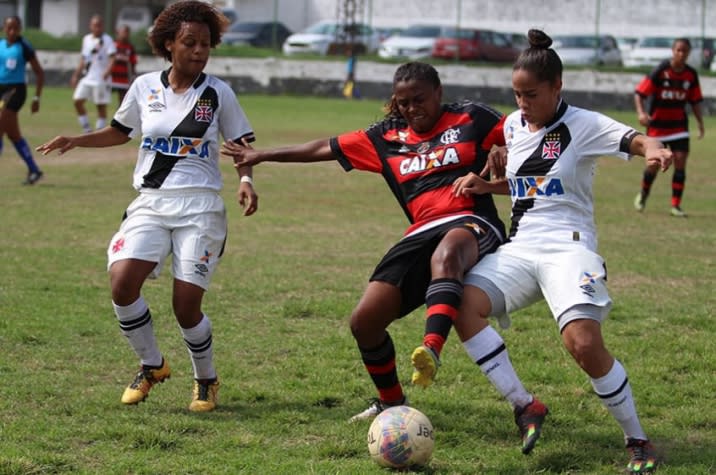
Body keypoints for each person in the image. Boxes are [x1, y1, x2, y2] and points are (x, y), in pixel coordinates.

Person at [223, 61, 549, 454]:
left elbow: (528, 131)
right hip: (419, 232)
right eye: (405, 102)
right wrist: (261, 156)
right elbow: (323, 147)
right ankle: (392, 402)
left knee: (446, 257)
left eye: (420, 100)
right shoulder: (385, 136)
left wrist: (501, 146)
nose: (413, 109)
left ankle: (431, 348)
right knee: (365, 321)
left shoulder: (472, 117)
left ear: (438, 93)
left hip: (472, 221)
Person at [441, 29, 669, 473]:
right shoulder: (511, 125)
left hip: (569, 246)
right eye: (516, 94)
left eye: (531, 94)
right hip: (522, 245)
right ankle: (526, 405)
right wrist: (487, 184)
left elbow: (636, 141)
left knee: (582, 342)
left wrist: (655, 149)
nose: (522, 103)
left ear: (557, 87)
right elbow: (530, 182)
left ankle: (638, 439)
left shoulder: (584, 124)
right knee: (461, 303)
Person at [37, 1, 258, 412]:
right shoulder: (144, 87)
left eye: (205, 44)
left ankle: (206, 379)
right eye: (189, 42)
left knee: (185, 305)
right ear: (168, 44)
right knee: (122, 284)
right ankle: (152, 365)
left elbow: (241, 145)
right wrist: (76, 139)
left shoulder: (218, 93)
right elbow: (121, 132)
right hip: (151, 203)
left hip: (200, 208)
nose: (198, 51)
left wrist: (245, 180)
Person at [633, 37, 704, 217]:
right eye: (678, 50)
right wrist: (641, 113)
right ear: (673, 51)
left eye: (685, 51)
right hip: (658, 128)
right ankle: (643, 194)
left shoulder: (691, 74)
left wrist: (700, 123)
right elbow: (639, 93)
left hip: (679, 126)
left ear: (688, 53)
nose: (681, 54)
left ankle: (676, 205)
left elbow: (695, 101)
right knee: (654, 166)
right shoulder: (660, 71)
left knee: (680, 163)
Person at [0, 16, 44, 185]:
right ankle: (34, 170)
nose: (12, 32)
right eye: (9, 28)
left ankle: (34, 170)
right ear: (4, 28)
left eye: (15, 28)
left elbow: (40, 73)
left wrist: (36, 98)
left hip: (16, 90)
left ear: (20, 29)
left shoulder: (24, 47)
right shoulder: (1, 45)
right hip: (1, 90)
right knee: (13, 134)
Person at [71, 14, 116, 133]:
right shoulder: (86, 39)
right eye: (95, 26)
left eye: (99, 26)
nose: (97, 28)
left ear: (103, 27)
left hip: (101, 79)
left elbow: (113, 58)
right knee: (77, 100)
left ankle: (99, 131)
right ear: (91, 26)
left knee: (100, 105)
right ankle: (86, 128)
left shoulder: (107, 39)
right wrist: (76, 75)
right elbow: (83, 59)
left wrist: (107, 71)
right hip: (88, 77)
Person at [110, 24, 137, 106]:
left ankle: (119, 116)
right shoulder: (112, 45)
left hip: (123, 78)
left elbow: (133, 63)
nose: (125, 34)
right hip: (111, 77)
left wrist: (133, 76)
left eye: (127, 32)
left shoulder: (130, 47)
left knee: (122, 99)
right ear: (118, 32)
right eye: (124, 32)